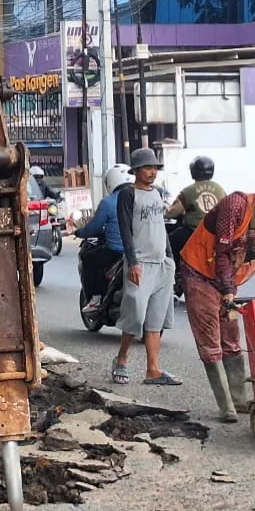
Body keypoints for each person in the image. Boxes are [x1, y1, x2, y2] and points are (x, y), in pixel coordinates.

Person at [180, 174, 255, 422]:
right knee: (210, 341)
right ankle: (227, 407)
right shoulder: (236, 204)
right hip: (200, 273)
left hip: (225, 279)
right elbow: (222, 252)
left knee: (231, 338)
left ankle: (240, 399)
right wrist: (227, 291)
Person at [110, 148, 181, 387]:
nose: (152, 172)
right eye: (148, 168)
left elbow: (161, 227)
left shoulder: (158, 193)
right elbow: (125, 230)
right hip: (140, 263)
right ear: (137, 170)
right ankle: (121, 359)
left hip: (161, 263)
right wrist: (133, 262)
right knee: (135, 315)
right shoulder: (128, 195)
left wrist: (170, 259)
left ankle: (153, 370)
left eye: (155, 168)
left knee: (155, 320)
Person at [76, 165, 135, 312]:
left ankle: (95, 298)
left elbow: (94, 227)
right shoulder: (142, 196)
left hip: (117, 251)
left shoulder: (108, 202)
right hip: (141, 249)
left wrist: (80, 232)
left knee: (89, 259)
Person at [166, 155, 226, 260]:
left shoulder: (188, 191)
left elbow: (171, 213)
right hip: (217, 233)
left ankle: (175, 270)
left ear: (193, 171)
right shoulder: (220, 189)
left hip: (194, 232)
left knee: (170, 242)